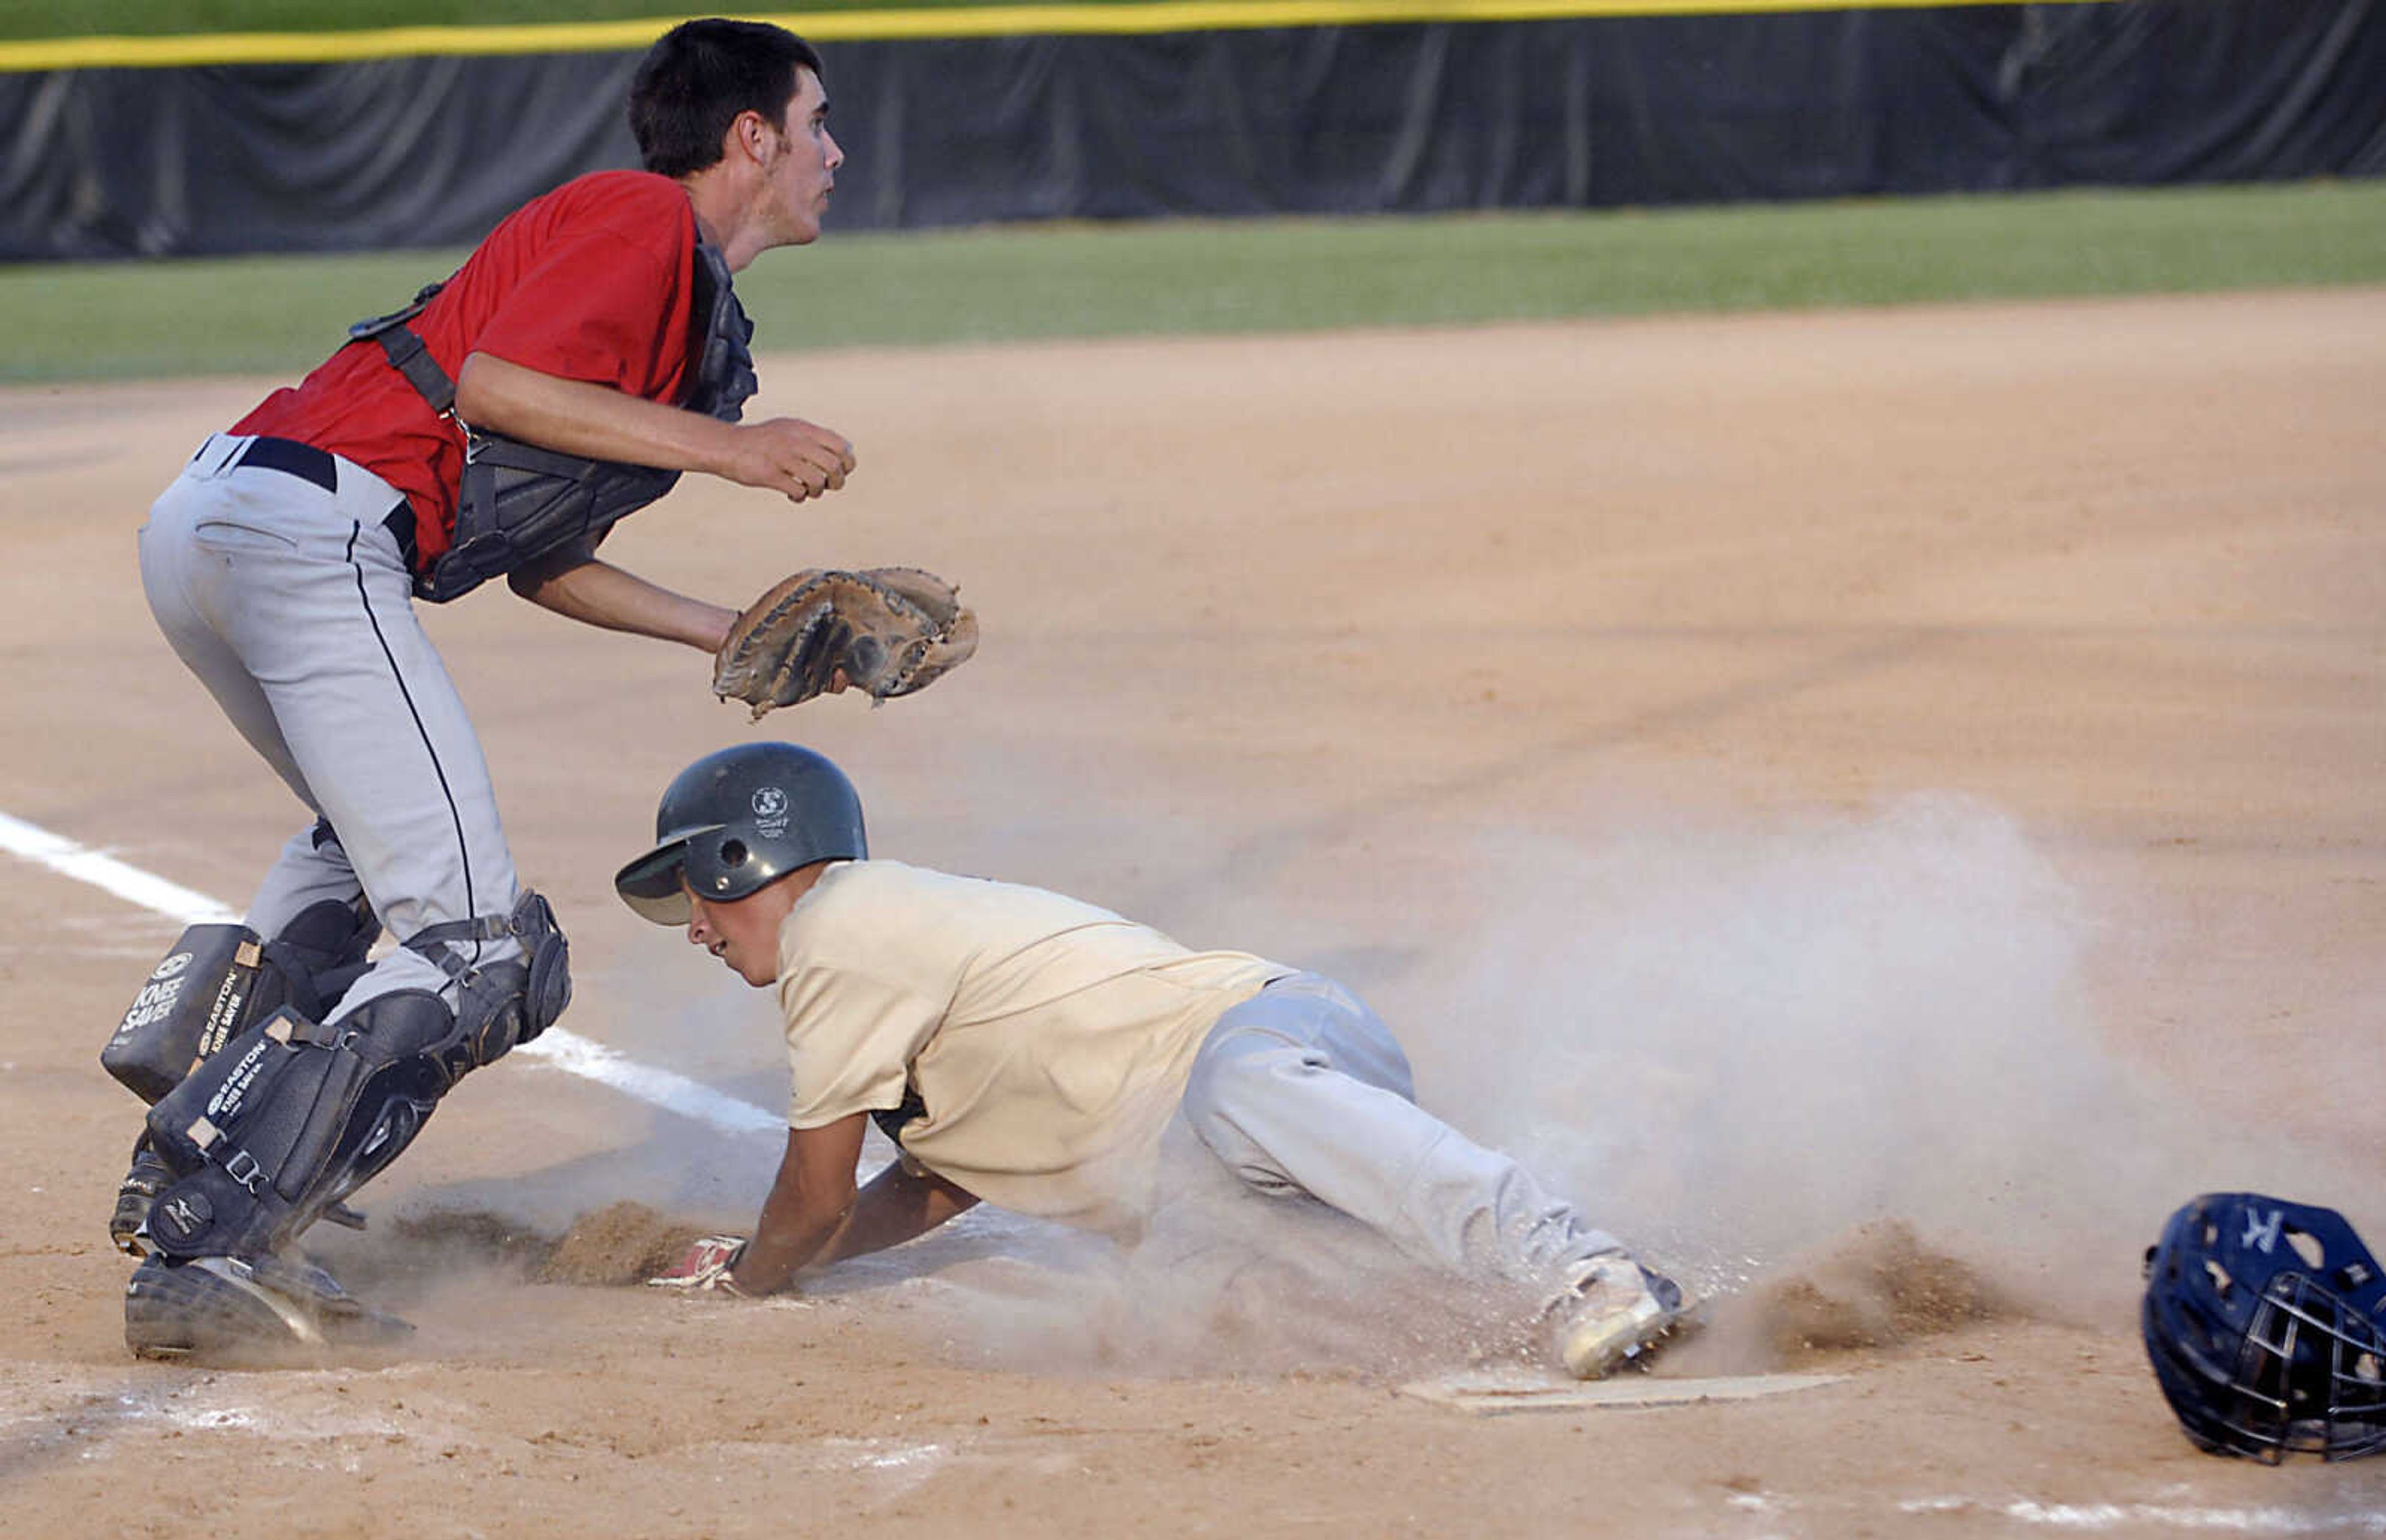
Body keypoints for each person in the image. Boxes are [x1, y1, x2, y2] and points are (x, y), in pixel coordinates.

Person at [108, 19, 867, 1359]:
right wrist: (738, 453)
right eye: (815, 123)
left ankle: (196, 1141)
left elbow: (541, 560)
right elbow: (495, 386)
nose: (834, 151)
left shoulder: (679, 298)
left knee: (367, 850)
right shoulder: (641, 218)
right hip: (311, 532)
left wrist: (727, 630)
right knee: (484, 941)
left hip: (242, 515)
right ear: (750, 137)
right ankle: (218, 1238)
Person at [616, 742, 1694, 1380]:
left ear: (744, 856)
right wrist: (794, 1259)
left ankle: (1583, 1262)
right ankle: (1516, 1300)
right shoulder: (878, 971)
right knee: (1214, 1295)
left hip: (1261, 1040)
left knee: (1240, 1097)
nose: (699, 930)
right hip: (1210, 1168)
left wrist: (755, 1276)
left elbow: (811, 1190)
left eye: (699, 896)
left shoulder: (837, 926)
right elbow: (931, 1181)